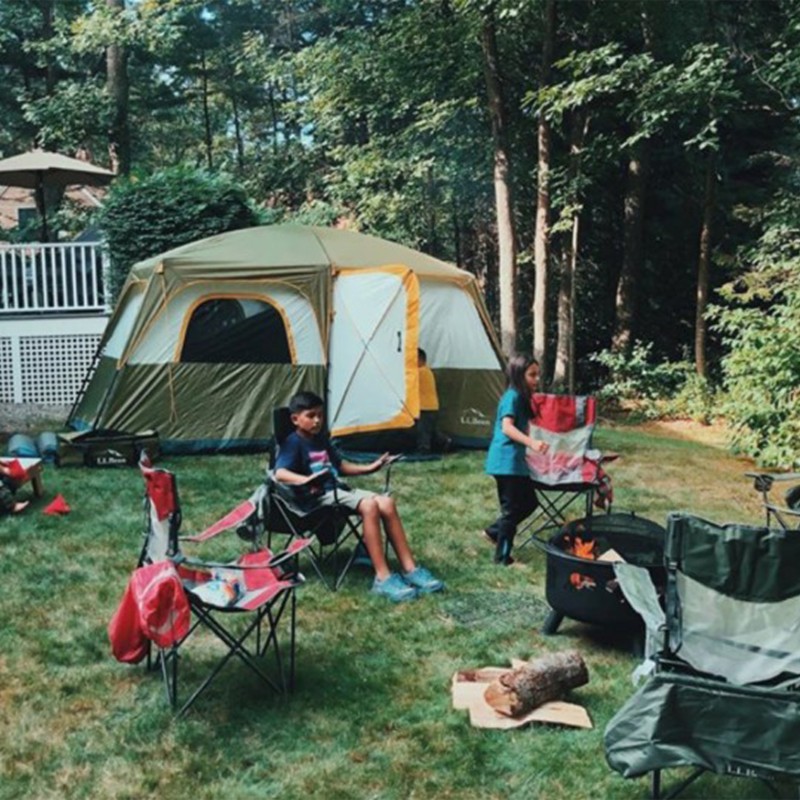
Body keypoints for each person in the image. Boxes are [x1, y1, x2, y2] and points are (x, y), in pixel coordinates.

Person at [274, 390, 445, 602]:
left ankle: (410, 568)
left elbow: (340, 466)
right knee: (369, 506)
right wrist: (305, 480)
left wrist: (370, 468)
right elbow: (279, 472)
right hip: (319, 497)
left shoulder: (320, 439)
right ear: (295, 419)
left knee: (387, 503)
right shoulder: (293, 442)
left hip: (338, 490)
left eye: (320, 414)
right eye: (311, 416)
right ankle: (382, 578)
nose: (317, 420)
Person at [483, 354, 549, 565]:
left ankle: (494, 532)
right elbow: (507, 427)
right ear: (518, 375)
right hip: (505, 461)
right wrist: (531, 443)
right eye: (532, 375)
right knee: (511, 511)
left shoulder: (521, 397)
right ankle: (502, 558)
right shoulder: (512, 396)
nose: (536, 379)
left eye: (537, 374)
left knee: (530, 503)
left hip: (515, 463)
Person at [415, 348, 451, 454]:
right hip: (431, 406)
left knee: (423, 430)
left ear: (419, 359)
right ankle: (444, 441)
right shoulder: (427, 371)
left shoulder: (420, 372)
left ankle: (424, 448)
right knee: (430, 429)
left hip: (424, 407)